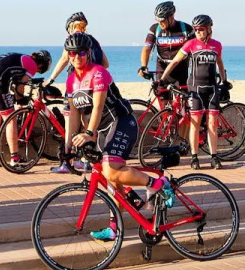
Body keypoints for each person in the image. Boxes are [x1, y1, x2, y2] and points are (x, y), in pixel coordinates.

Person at [63, 33, 167, 241]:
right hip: (102, 130)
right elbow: (74, 114)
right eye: (72, 54)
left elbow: (98, 106)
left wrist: (88, 133)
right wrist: (67, 147)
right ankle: (114, 229)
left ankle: (158, 184)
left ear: (88, 53)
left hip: (122, 122)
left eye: (81, 53)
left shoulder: (98, 73)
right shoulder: (71, 81)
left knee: (110, 169)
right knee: (112, 183)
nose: (77, 57)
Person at [160, 15, 228, 170]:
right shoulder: (190, 44)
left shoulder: (216, 45)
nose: (197, 32)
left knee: (212, 124)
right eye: (195, 29)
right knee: (195, 123)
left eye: (201, 29)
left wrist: (224, 81)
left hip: (211, 88)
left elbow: (220, 62)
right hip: (195, 89)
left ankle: (214, 157)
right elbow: (175, 61)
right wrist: (162, 79)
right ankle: (194, 157)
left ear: (209, 29)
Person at [45, 12, 109, 173]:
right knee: (87, 122)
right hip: (92, 86)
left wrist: (51, 79)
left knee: (70, 121)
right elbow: (106, 63)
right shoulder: (92, 40)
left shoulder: (72, 40)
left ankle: (67, 161)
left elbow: (64, 59)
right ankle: (86, 160)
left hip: (77, 83)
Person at [0, 50, 52, 168]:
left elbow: (12, 82)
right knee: (10, 120)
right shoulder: (32, 65)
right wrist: (20, 99)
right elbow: (20, 86)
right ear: (42, 65)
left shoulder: (21, 57)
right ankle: (15, 159)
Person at [138, 1, 194, 102]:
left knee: (183, 104)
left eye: (162, 20)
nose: (160, 23)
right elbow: (147, 48)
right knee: (164, 104)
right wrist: (144, 66)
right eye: (158, 20)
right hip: (162, 68)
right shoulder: (155, 28)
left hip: (181, 69)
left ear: (171, 16)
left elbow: (196, 50)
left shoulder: (186, 29)